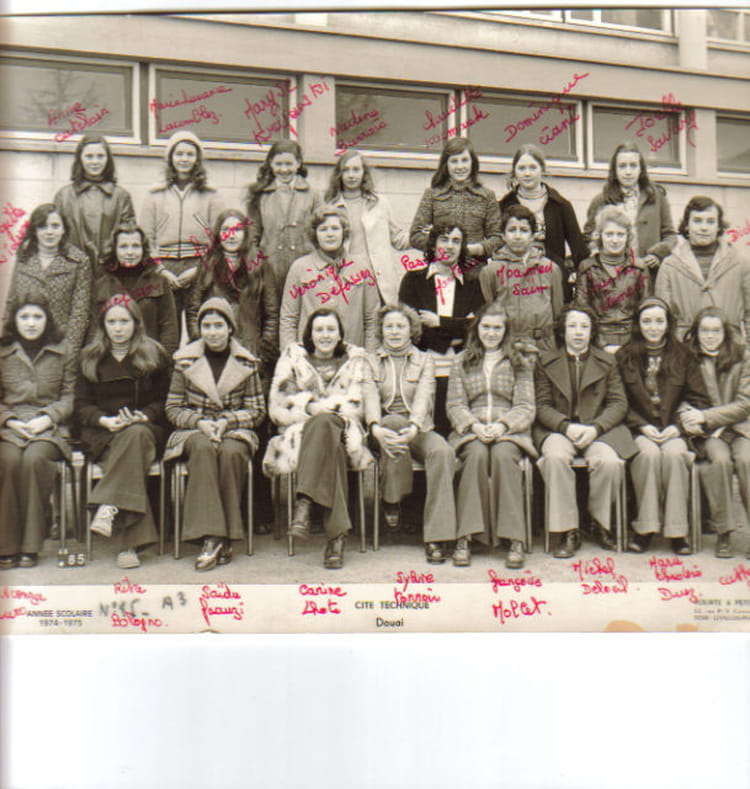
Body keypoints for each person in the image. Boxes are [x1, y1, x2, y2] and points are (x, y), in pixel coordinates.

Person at [263, 308, 373, 570]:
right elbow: (278, 405)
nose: (325, 335)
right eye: (319, 329)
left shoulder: (356, 360)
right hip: (301, 433)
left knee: (326, 424)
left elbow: (358, 405)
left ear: (340, 334)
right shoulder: (293, 359)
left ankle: (305, 501)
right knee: (330, 446)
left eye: (331, 329)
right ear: (310, 334)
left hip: (346, 430)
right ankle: (337, 538)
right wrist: (309, 407)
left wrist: (324, 410)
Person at [165, 297, 265, 571]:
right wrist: (199, 422)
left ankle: (218, 538)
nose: (212, 332)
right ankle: (215, 536)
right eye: (206, 326)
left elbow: (257, 410)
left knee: (232, 452)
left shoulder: (246, 362)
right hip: (194, 430)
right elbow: (173, 408)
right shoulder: (184, 361)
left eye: (218, 325)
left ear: (230, 328)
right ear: (199, 329)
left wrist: (227, 421)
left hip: (234, 430)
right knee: (203, 448)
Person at [75, 294, 170, 569]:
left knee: (136, 435)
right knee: (130, 452)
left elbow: (165, 399)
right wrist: (104, 420)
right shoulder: (89, 357)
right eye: (111, 322)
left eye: (124, 322)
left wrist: (145, 415)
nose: (118, 328)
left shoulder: (154, 354)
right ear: (103, 325)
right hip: (103, 433)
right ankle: (128, 546)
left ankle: (108, 506)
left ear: (136, 323)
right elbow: (80, 405)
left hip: (144, 428)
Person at [534, 306, 636, 558]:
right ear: (562, 331)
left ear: (592, 331)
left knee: (608, 462)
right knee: (555, 458)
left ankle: (598, 522)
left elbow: (618, 403)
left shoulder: (608, 361)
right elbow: (542, 405)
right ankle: (568, 530)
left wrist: (596, 428)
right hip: (559, 429)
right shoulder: (546, 362)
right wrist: (565, 426)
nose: (578, 332)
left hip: (598, 429)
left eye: (584, 327)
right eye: (572, 326)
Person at [363, 303, 458, 564]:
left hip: (418, 427)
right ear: (381, 330)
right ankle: (393, 496)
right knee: (393, 420)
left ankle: (437, 536)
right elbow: (369, 397)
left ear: (411, 330)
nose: (394, 331)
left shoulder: (425, 359)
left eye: (400, 326)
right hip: (381, 430)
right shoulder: (369, 360)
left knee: (443, 452)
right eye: (389, 326)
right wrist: (374, 427)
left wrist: (414, 427)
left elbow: (425, 396)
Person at [446, 302, 537, 569]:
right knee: (474, 456)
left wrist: (503, 426)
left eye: (497, 328)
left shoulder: (519, 361)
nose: (491, 333)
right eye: (486, 327)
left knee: (503, 456)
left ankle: (514, 537)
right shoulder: (461, 361)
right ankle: (465, 536)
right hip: (472, 430)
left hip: (509, 431)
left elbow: (526, 405)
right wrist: (473, 426)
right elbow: (455, 404)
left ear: (505, 331)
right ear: (477, 329)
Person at [616, 297, 710, 554]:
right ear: (638, 324)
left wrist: (678, 427)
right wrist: (640, 426)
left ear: (668, 324)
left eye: (659, 321)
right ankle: (645, 528)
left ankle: (677, 531)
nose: (653, 327)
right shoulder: (624, 356)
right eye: (647, 321)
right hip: (639, 428)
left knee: (675, 455)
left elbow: (699, 399)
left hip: (673, 428)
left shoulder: (684, 355)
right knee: (647, 455)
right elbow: (617, 400)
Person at [0, 291, 75, 569]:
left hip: (49, 428)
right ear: (14, 320)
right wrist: (9, 421)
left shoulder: (63, 350)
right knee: (8, 460)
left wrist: (47, 418)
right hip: (10, 427)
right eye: (24, 317)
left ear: (47, 319)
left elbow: (70, 396)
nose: (31, 323)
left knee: (34, 460)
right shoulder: (3, 350)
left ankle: (31, 546)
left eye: (37, 316)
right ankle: (6, 545)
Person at [399, 223, 483, 436]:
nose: (449, 246)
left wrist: (440, 322)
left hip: (459, 366)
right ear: (433, 244)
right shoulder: (413, 280)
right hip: (424, 365)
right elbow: (412, 328)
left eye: (456, 241)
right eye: (444, 240)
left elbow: (477, 327)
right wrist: (458, 327)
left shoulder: (472, 283)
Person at [680, 306, 750, 558]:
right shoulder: (688, 357)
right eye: (705, 330)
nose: (710, 336)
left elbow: (745, 404)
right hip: (708, 433)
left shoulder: (742, 356)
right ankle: (724, 532)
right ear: (696, 333)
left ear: (725, 333)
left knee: (746, 460)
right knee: (719, 461)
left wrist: (706, 415)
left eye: (716, 330)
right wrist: (686, 415)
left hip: (740, 428)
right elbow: (678, 393)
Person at [187, 208, 279, 383]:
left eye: (237, 230)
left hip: (251, 350)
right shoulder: (207, 264)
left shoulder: (261, 265)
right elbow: (193, 309)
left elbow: (272, 314)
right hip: (213, 349)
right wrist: (201, 342)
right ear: (218, 234)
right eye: (226, 230)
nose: (231, 235)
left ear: (245, 233)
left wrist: (263, 350)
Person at [141, 130, 223, 323]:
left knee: (200, 322)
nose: (184, 159)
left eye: (190, 154)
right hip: (165, 267)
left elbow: (219, 239)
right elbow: (145, 239)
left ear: (197, 159)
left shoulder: (210, 193)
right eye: (179, 154)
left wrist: (199, 269)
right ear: (170, 158)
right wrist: (161, 270)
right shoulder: (155, 194)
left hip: (198, 266)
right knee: (169, 325)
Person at [279, 204, 380, 353]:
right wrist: (291, 356)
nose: (330, 234)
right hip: (310, 358)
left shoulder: (362, 268)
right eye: (323, 229)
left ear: (344, 231)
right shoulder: (299, 268)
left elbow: (372, 319)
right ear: (315, 234)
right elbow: (288, 318)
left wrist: (370, 357)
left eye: (335, 228)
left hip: (351, 356)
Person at [498, 144, 587, 300]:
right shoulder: (504, 206)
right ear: (514, 172)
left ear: (542, 169)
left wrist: (579, 277)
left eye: (533, 167)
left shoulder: (560, 205)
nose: (527, 173)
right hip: (515, 277)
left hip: (553, 276)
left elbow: (578, 248)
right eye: (522, 168)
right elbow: (497, 243)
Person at [655, 195, 750, 342]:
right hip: (686, 346)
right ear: (687, 225)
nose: (704, 227)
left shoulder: (740, 263)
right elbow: (662, 315)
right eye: (697, 221)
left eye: (710, 221)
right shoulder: (669, 266)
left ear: (719, 226)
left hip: (730, 346)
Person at [324, 150, 410, 304]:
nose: (351, 175)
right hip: (346, 280)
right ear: (339, 174)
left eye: (356, 169)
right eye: (346, 170)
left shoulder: (379, 203)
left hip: (378, 281)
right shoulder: (330, 206)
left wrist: (423, 235)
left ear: (364, 173)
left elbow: (398, 239)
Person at [5, 203, 91, 356]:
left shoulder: (78, 261)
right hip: (23, 344)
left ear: (64, 229)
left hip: (59, 346)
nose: (49, 232)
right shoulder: (24, 257)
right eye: (43, 227)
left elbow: (80, 313)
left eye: (55, 226)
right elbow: (12, 302)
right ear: (35, 230)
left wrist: (70, 351)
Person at [583, 141, 677, 278]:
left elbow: (670, 236)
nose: (628, 172)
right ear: (614, 170)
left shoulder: (657, 197)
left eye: (633, 166)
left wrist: (658, 254)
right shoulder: (601, 200)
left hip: (647, 274)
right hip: (612, 277)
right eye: (622, 166)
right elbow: (588, 238)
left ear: (641, 169)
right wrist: (599, 256)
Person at [409, 138, 502, 277]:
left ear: (473, 162)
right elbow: (415, 235)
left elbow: (497, 238)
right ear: (445, 164)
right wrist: (442, 248)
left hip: (475, 274)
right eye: (454, 161)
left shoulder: (486, 196)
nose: (459, 166)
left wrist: (474, 249)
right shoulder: (433, 195)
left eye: (464, 160)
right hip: (441, 273)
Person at [479, 204, 563, 353]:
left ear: (533, 235)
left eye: (524, 230)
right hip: (506, 345)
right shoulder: (490, 271)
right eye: (512, 230)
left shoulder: (550, 268)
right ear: (503, 235)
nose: (517, 236)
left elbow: (558, 312)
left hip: (544, 345)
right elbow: (488, 310)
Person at [245, 140, 323, 299]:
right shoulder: (260, 194)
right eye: (278, 164)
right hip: (270, 269)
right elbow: (252, 235)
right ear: (270, 164)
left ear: (298, 163)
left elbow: (321, 229)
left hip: (306, 268)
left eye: (289, 164)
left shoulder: (313, 194)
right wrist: (257, 265)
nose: (284, 169)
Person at [90, 222, 178, 356]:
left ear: (143, 249)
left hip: (149, 360)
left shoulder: (159, 282)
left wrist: (163, 361)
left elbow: (169, 329)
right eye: (123, 246)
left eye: (136, 246)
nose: (130, 252)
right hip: (112, 361)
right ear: (114, 249)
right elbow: (94, 331)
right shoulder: (101, 285)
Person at [53, 133, 136, 274]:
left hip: (110, 272)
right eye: (89, 156)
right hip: (73, 270)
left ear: (108, 159)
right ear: (80, 158)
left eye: (100, 156)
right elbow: (57, 238)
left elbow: (129, 238)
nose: (95, 161)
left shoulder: (121, 196)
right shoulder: (64, 196)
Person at [575, 205, 651, 352]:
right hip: (597, 340)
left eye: (620, 234)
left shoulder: (639, 268)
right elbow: (582, 311)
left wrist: (632, 344)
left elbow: (645, 310)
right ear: (600, 236)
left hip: (632, 340)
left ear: (628, 237)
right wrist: (602, 345)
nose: (615, 240)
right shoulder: (587, 268)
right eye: (609, 234)